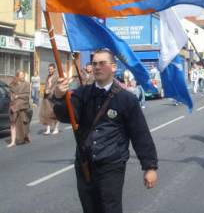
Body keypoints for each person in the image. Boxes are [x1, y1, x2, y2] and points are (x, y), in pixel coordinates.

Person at [53, 49, 158, 213]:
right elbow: (67, 117)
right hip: (85, 164)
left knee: (110, 209)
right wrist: (59, 96)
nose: (97, 67)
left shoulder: (126, 98)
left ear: (114, 67)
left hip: (111, 165)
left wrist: (149, 166)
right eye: (94, 63)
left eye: (102, 63)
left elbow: (140, 134)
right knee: (90, 208)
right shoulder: (82, 93)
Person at [8, 70, 32, 147]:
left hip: (23, 106)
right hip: (14, 106)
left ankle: (25, 137)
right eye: (21, 75)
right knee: (13, 123)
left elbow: (27, 95)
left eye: (23, 75)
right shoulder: (12, 84)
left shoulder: (27, 84)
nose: (23, 76)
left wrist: (18, 96)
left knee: (24, 124)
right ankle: (13, 141)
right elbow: (11, 94)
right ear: (17, 76)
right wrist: (13, 97)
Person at [39, 63, 60, 135]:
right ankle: (48, 129)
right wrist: (45, 91)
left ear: (54, 69)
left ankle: (56, 128)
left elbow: (56, 86)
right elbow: (46, 85)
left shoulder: (57, 77)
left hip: (54, 97)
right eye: (49, 69)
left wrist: (50, 91)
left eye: (51, 69)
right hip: (47, 97)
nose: (50, 70)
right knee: (47, 112)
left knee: (55, 113)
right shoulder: (47, 76)